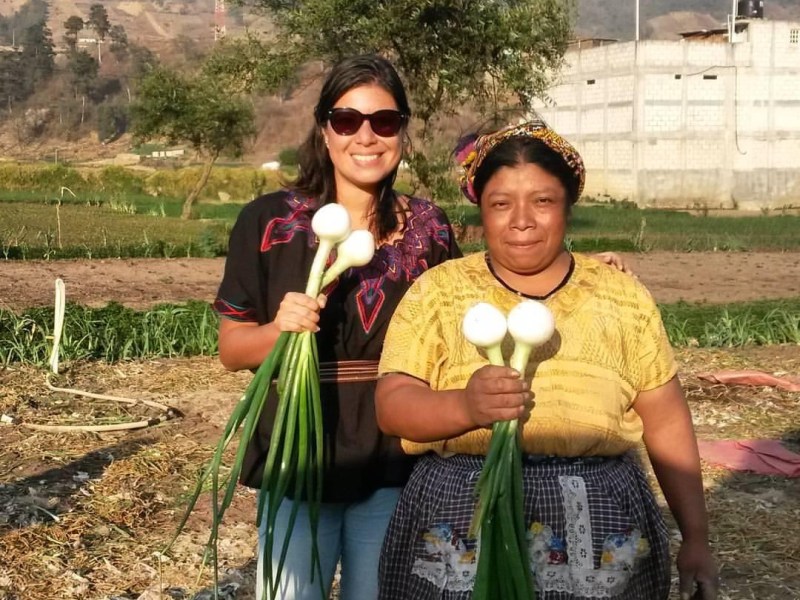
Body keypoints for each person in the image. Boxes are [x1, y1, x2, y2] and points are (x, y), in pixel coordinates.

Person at [375, 119, 719, 599]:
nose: (521, 219)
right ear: (480, 213)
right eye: (500, 204)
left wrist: (696, 538)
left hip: (601, 525)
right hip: (460, 518)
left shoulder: (620, 296)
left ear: (568, 208)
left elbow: (666, 420)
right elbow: (393, 405)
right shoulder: (439, 292)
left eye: (543, 201)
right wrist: (465, 407)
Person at [212, 55, 461, 599]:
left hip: (396, 453)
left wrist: (581, 266)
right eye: (347, 120)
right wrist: (280, 330)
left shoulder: (430, 227)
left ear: (403, 133)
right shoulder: (269, 221)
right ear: (324, 130)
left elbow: (470, 311)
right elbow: (233, 349)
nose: (366, 136)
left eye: (385, 121)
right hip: (299, 449)